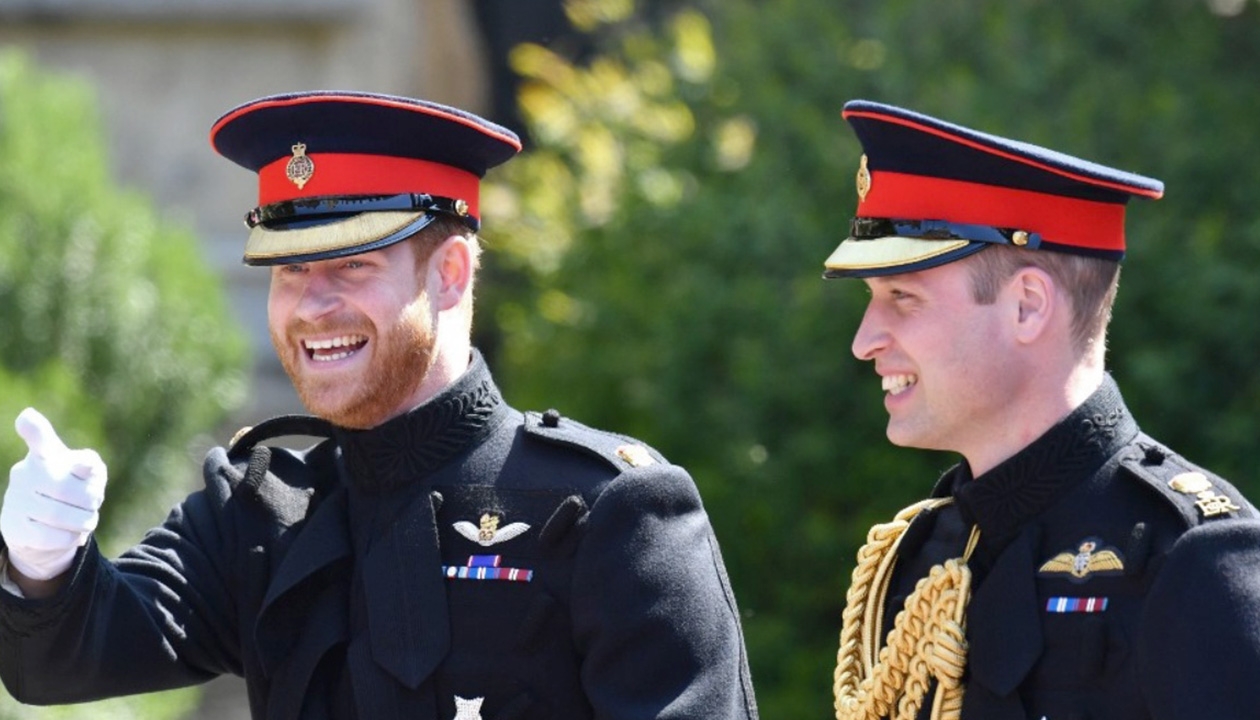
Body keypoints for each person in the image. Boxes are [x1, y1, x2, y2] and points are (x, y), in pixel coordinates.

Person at [0, 91, 758, 720]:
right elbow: (59, 663)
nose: (312, 307)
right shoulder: (263, 517)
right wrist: (43, 564)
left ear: (452, 273)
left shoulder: (607, 513)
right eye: (289, 272)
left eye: (352, 265)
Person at [823, 100, 1260, 720]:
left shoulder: (1194, 559)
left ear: (1027, 306)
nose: (864, 340)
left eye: (902, 297)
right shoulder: (923, 556)